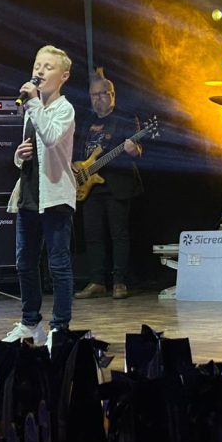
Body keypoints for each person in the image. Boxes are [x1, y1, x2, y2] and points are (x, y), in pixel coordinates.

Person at [2, 45, 76, 345]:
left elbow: (51, 137)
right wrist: (19, 156)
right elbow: (33, 153)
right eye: (37, 65)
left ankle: (60, 328)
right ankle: (30, 323)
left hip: (55, 198)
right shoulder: (31, 109)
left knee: (58, 265)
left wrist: (33, 102)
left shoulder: (64, 109)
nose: (40, 71)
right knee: (25, 264)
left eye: (48, 67)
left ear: (64, 76)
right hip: (29, 197)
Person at [73, 68, 142, 300]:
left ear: (112, 95)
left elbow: (137, 152)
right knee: (93, 236)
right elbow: (78, 151)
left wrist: (133, 149)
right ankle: (97, 281)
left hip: (117, 185)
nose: (98, 99)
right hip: (89, 185)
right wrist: (76, 168)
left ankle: (119, 282)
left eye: (102, 94)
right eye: (94, 95)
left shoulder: (125, 118)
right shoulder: (87, 121)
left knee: (118, 235)